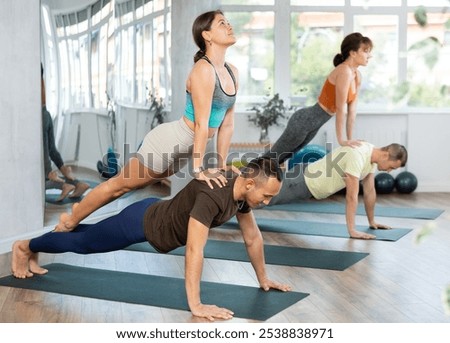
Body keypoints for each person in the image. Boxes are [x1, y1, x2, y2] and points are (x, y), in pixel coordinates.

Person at [12, 157, 292, 321]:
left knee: (85, 236)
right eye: (266, 196)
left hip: (149, 216)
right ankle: (25, 246)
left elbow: (253, 238)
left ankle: (35, 246)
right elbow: (195, 249)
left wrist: (264, 278)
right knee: (82, 244)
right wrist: (195, 304)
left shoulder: (242, 195)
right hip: (140, 223)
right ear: (250, 183)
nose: (266, 202)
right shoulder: (213, 196)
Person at [55, 10, 239, 232]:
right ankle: (71, 218)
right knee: (118, 186)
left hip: (182, 152)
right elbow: (202, 124)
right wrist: (198, 169)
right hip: (169, 143)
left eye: (227, 22)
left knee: (128, 186)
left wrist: (221, 164)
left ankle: (78, 213)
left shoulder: (232, 72)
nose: (229, 26)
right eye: (222, 23)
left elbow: (226, 124)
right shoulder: (203, 70)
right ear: (207, 35)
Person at [264, 32, 373, 164]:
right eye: (366, 51)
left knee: (280, 159)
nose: (370, 55)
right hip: (304, 121)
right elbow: (340, 108)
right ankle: (242, 176)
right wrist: (342, 140)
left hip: (314, 124)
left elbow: (352, 113)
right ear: (353, 53)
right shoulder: (344, 71)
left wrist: (350, 140)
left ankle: (250, 180)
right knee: (271, 158)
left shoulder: (357, 76)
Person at [269, 142, 408, 240]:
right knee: (258, 199)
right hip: (301, 181)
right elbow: (351, 197)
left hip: (307, 183)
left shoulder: (371, 158)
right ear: (385, 156)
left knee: (257, 198)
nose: (390, 171)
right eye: (392, 167)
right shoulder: (358, 156)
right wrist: (352, 230)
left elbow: (370, 191)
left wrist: (372, 222)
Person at [41, 63, 90, 200]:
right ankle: (77, 183)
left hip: (39, 116)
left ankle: (63, 185)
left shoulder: (30, 76)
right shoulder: (38, 76)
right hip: (45, 113)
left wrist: (48, 171)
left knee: (42, 176)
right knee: (52, 150)